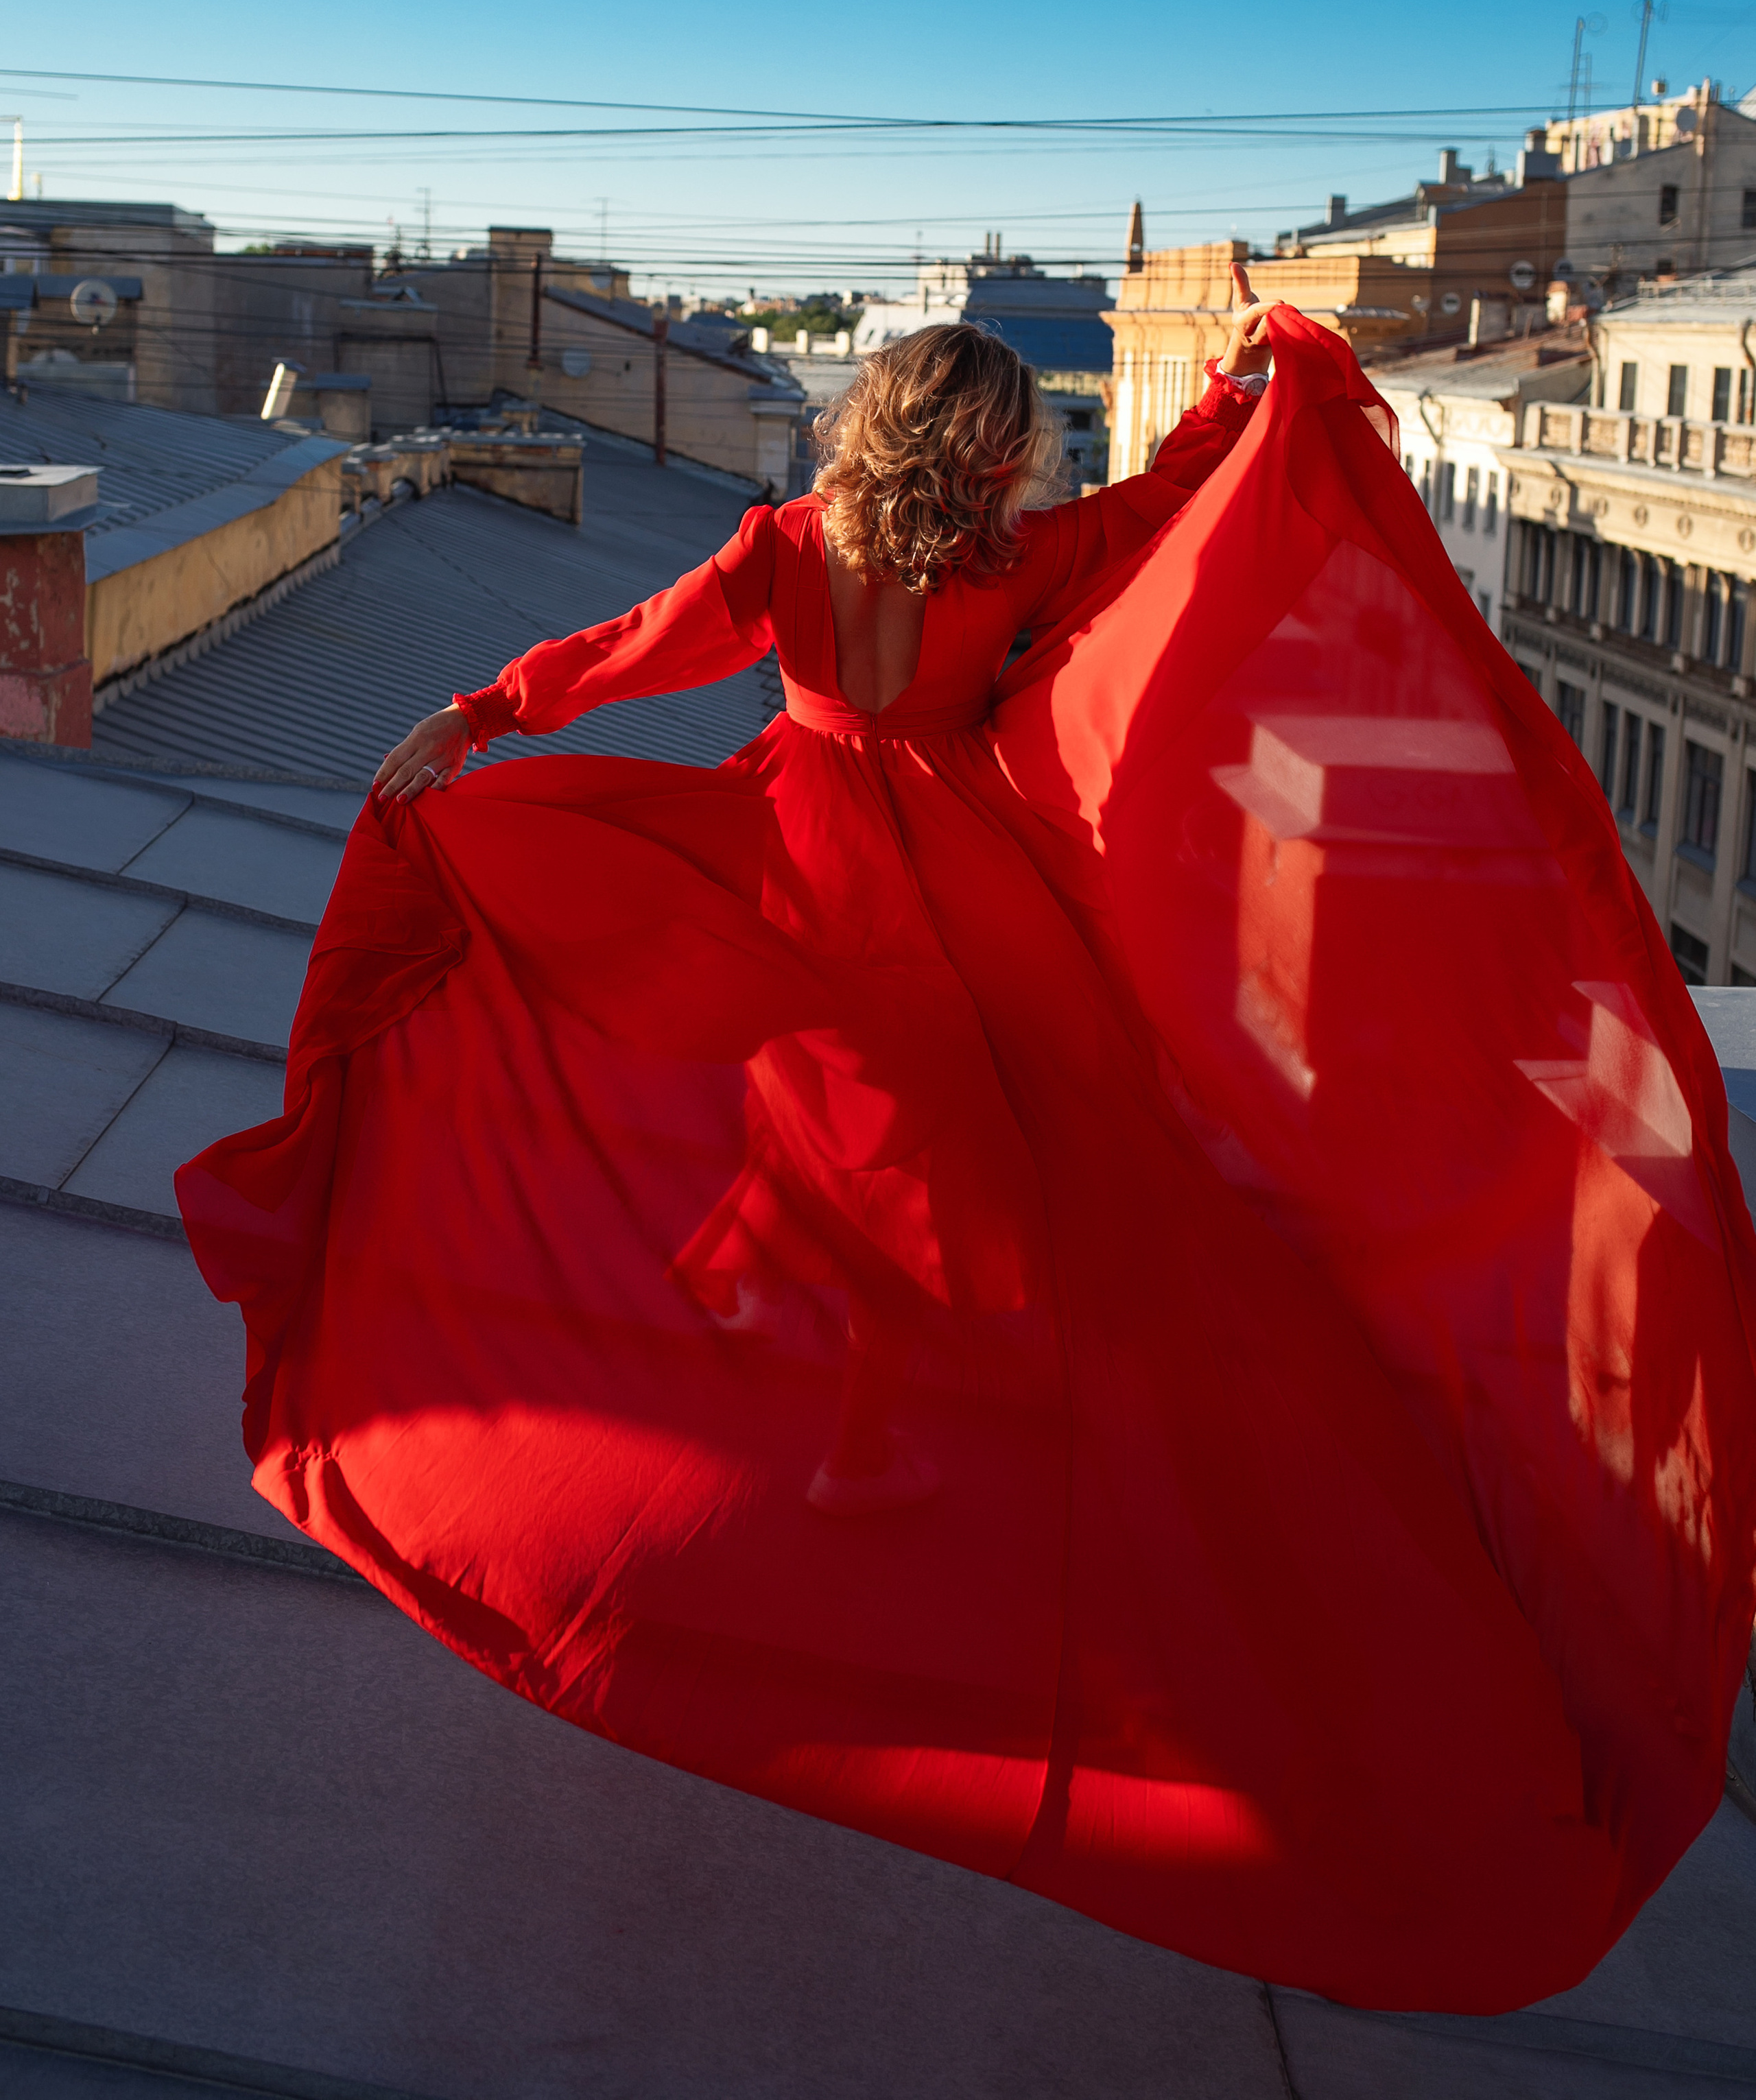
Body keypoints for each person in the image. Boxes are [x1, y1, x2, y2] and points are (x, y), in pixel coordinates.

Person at [179, 267, 1756, 2017]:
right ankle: (967, 1411)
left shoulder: (783, 548)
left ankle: (862, 1408)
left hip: (805, 871)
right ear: (987, 448)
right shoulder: (1010, 561)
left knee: (827, 1137)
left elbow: (636, 652)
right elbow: (1170, 512)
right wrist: (1255, 394)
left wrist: (482, 716)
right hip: (977, 889)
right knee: (1028, 1159)